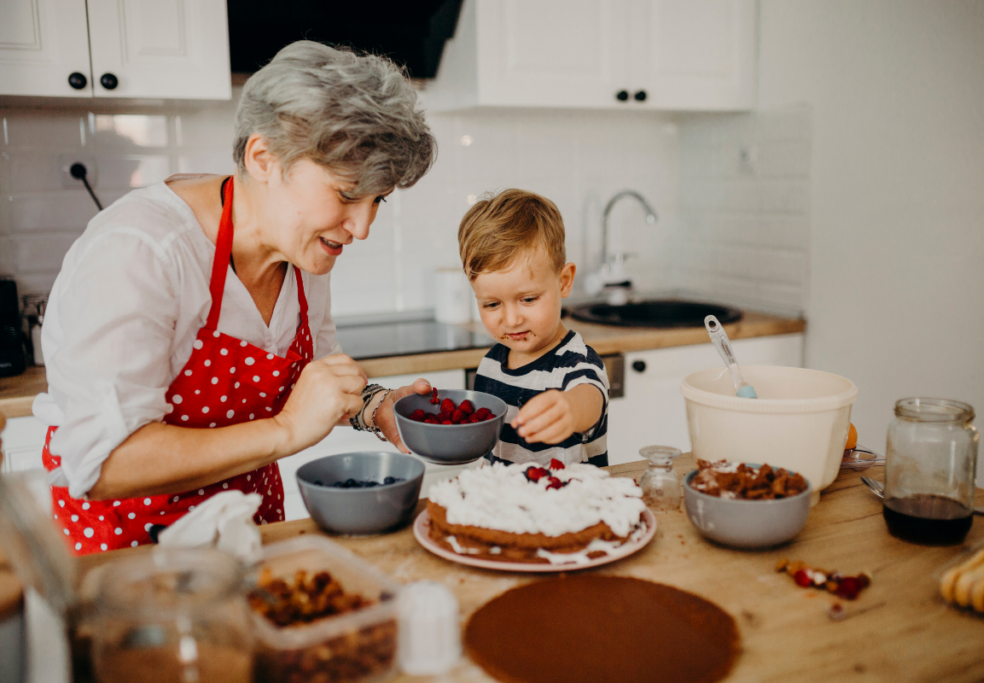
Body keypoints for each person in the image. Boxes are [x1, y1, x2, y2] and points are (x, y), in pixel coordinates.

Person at [35, 42, 437, 555]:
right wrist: (287, 429)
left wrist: (375, 407)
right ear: (263, 157)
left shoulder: (302, 250)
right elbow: (103, 463)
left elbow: (313, 383)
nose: (361, 227)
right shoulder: (141, 250)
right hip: (130, 563)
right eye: (346, 193)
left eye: (377, 200)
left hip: (248, 540)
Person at [457, 189, 609, 468]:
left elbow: (589, 399)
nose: (512, 320)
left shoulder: (577, 363)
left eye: (528, 299)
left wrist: (570, 409)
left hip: (568, 507)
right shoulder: (491, 363)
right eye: (491, 304)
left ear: (563, 281)